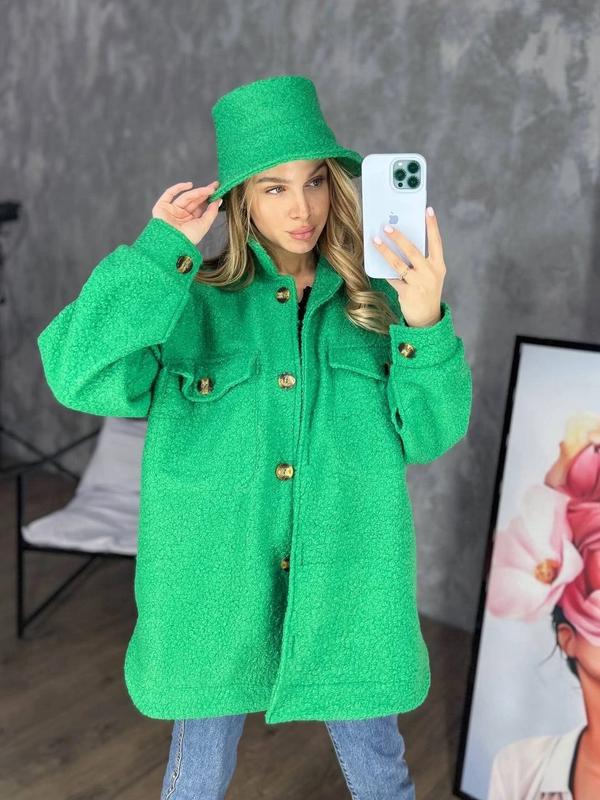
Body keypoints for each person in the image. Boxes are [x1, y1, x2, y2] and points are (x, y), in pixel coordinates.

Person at [37, 74, 473, 799]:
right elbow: (78, 374)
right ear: (240, 199)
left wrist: (424, 321)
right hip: (215, 592)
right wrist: (157, 253)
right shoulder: (187, 303)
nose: (301, 209)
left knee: (381, 772)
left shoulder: (378, 306)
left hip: (349, 585)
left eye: (315, 182)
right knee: (199, 774)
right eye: (274, 188)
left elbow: (431, 433)